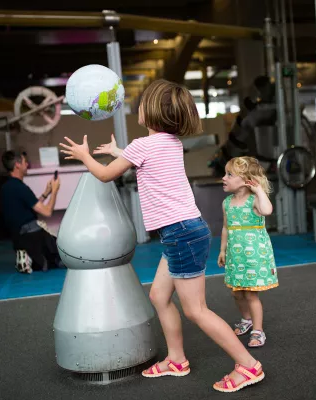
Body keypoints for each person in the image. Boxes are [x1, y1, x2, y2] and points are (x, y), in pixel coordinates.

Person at [59, 79, 265, 393]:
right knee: (158, 295)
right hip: (183, 231)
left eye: (141, 103)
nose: (137, 107)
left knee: (196, 310)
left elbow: (103, 175)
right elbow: (143, 161)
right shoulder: (169, 143)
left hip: (180, 233)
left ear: (152, 111)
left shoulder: (143, 146)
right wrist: (120, 151)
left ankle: (248, 366)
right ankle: (177, 360)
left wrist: (84, 155)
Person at [218, 156, 278, 348]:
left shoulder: (254, 201)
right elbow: (226, 228)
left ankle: (258, 331)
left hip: (254, 254)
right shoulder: (227, 203)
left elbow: (267, 210)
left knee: (251, 294)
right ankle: (246, 319)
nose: (223, 178)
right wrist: (222, 250)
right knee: (237, 292)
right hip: (236, 256)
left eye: (229, 174)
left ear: (245, 179)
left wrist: (259, 190)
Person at [0, 150, 61, 272]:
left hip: (18, 238)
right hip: (32, 237)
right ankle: (33, 258)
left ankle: (28, 255)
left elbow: (30, 205)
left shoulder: (7, 187)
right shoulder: (21, 188)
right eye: (25, 162)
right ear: (17, 165)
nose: (27, 165)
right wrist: (55, 191)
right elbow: (47, 212)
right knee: (63, 254)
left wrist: (46, 192)